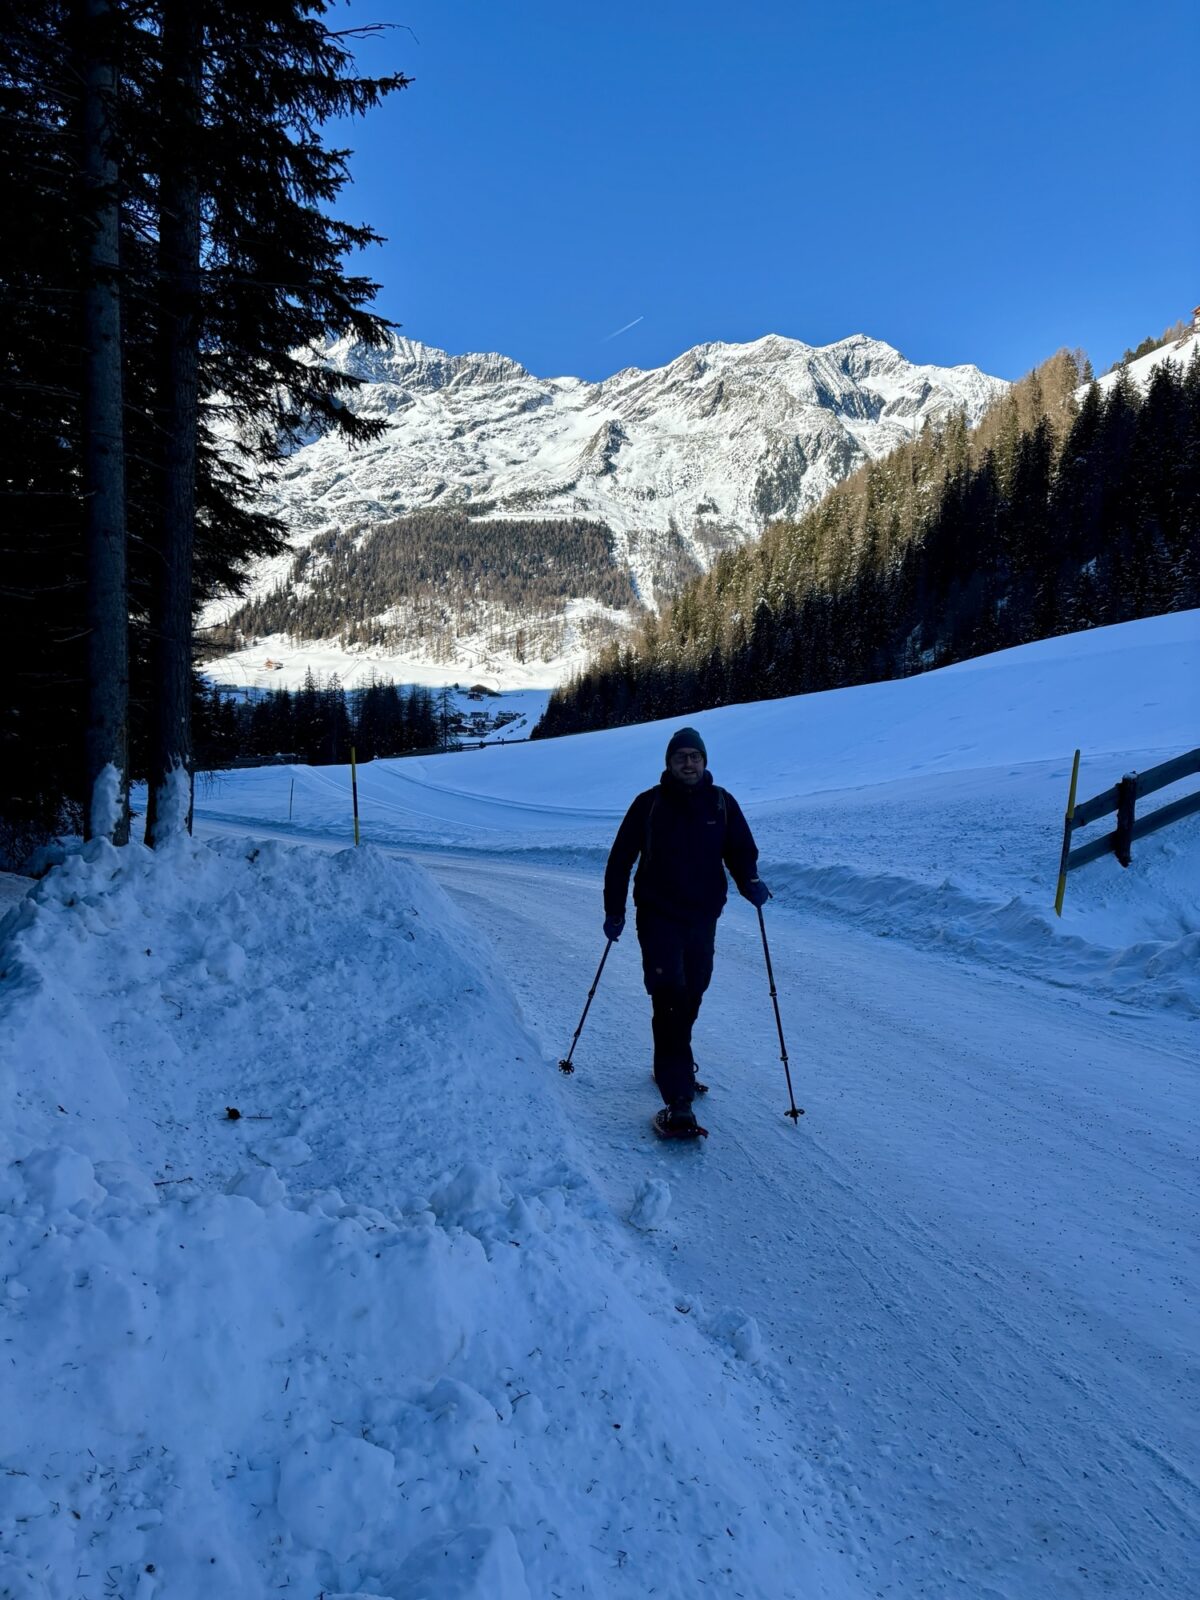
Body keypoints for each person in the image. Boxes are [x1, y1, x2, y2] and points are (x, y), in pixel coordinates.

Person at [603, 727, 769, 1134]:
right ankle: (678, 1099)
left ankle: (673, 1062)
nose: (689, 763)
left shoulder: (721, 803)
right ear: (669, 763)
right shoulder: (649, 804)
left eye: (695, 756)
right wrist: (615, 909)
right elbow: (620, 859)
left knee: (693, 993)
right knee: (669, 999)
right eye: (681, 757)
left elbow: (740, 852)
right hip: (657, 916)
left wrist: (750, 882)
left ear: (705, 761)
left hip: (703, 917)